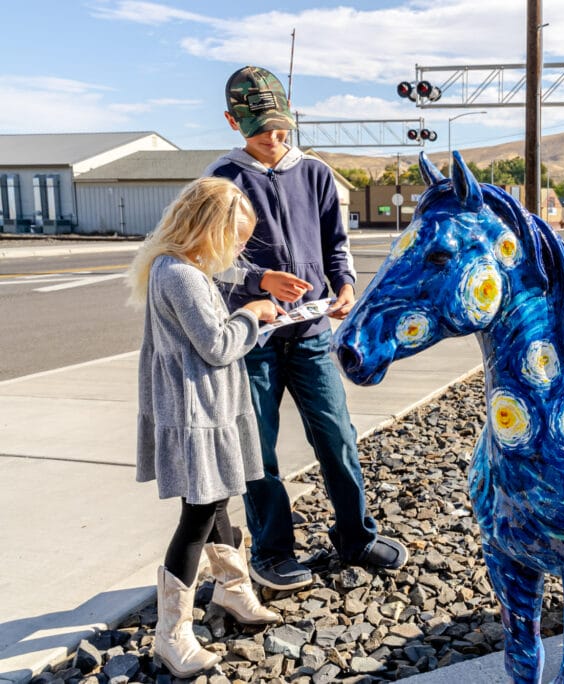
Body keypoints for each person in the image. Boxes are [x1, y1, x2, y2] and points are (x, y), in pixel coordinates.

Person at [206, 65, 408, 591]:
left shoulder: (315, 173)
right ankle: (272, 551)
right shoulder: (220, 182)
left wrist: (344, 285)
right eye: (261, 129)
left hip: (314, 336)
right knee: (260, 449)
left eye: (282, 127)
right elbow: (209, 258)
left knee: (338, 436)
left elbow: (335, 244)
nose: (275, 138)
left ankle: (356, 537)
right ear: (232, 121)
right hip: (254, 342)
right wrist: (259, 279)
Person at [128, 177, 283, 678]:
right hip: (196, 413)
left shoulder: (179, 267)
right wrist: (253, 313)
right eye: (235, 237)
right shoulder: (182, 277)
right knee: (199, 513)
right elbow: (216, 345)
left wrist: (258, 310)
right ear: (207, 229)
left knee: (215, 500)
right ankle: (171, 635)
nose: (240, 248)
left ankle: (233, 591)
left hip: (205, 408)